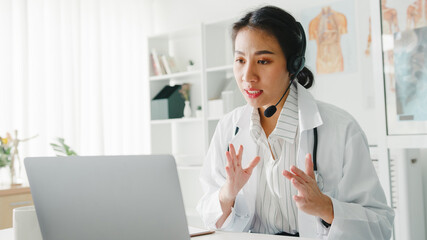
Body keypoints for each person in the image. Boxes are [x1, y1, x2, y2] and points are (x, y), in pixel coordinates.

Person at [196, 5, 394, 239]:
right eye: (240, 60)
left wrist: (325, 207)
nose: (247, 76)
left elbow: (381, 227)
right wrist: (227, 194)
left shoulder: (341, 129)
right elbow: (208, 217)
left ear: (294, 65)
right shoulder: (228, 128)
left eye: (263, 61)